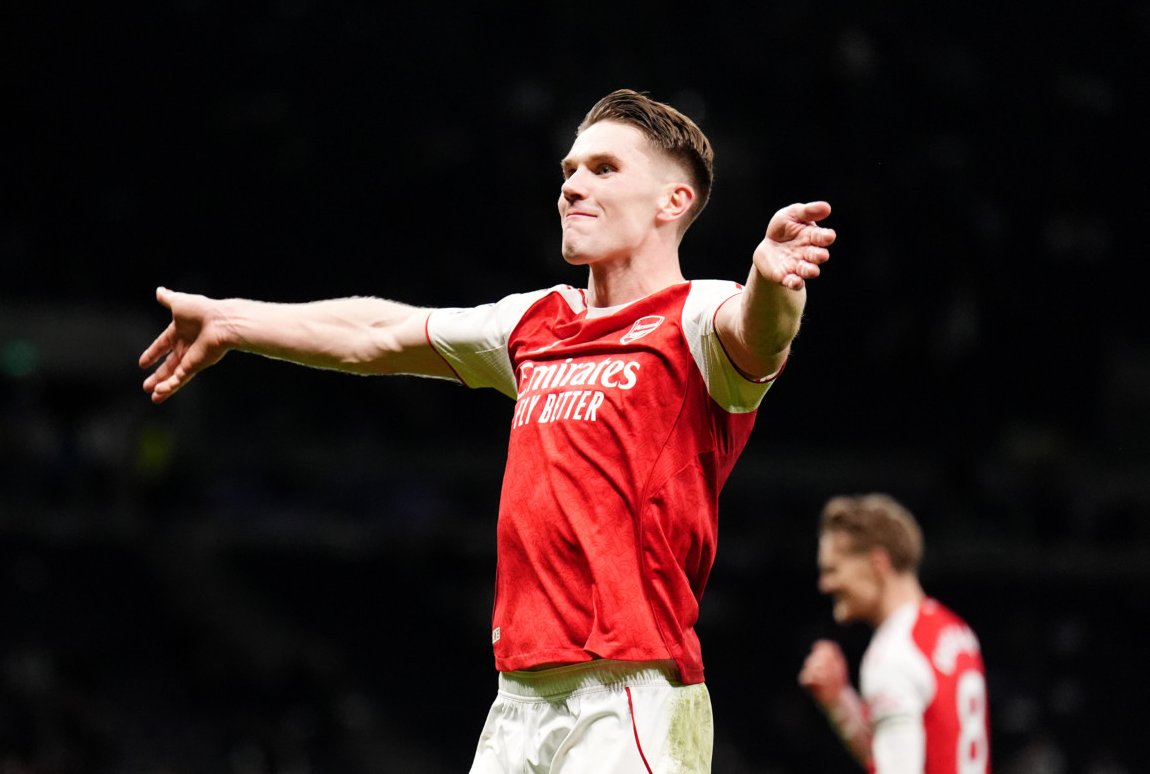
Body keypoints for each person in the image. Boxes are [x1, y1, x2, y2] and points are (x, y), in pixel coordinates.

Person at [141, 89, 836, 773]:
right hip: (516, 701)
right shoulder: (535, 323)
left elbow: (758, 334)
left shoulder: (696, 317)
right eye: (568, 172)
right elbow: (378, 332)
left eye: (603, 169)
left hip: (630, 699)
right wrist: (235, 321)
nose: (572, 187)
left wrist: (772, 286)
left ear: (672, 202)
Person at [798, 493, 990, 774]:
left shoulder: (893, 655)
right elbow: (909, 748)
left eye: (833, 570)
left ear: (878, 564)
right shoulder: (956, 631)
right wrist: (839, 702)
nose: (825, 585)